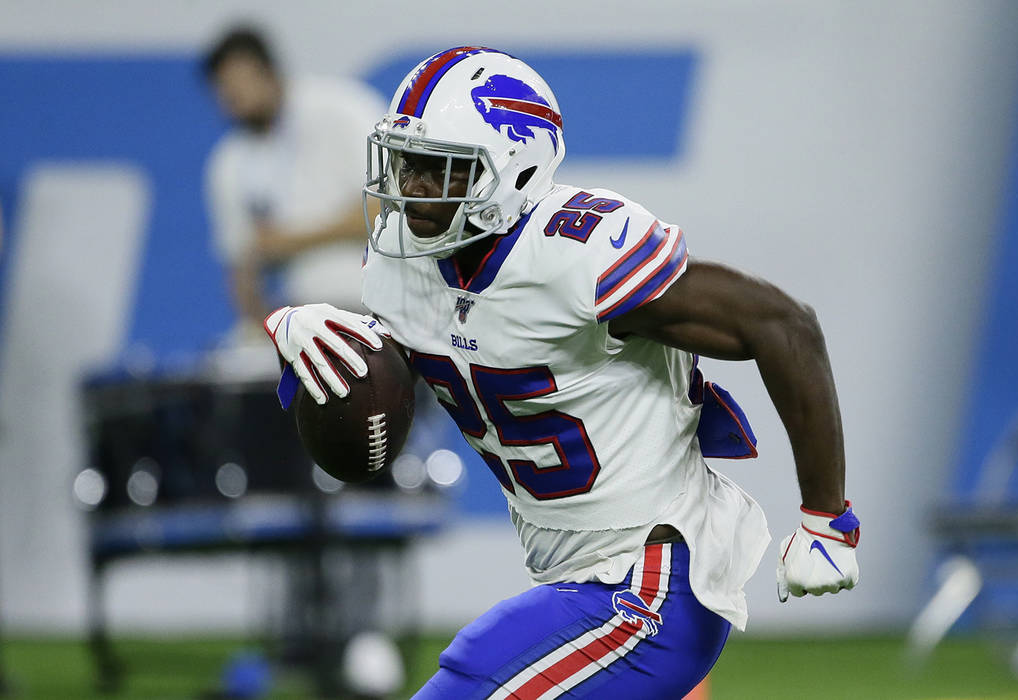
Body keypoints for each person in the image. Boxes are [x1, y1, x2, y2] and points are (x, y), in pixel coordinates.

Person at [265, 47, 860, 698]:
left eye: (439, 171)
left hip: (649, 581)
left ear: (511, 174)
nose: (409, 189)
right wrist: (320, 345)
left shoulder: (577, 253)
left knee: (473, 674)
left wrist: (827, 517)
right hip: (575, 579)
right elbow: (370, 437)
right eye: (406, 163)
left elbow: (783, 324)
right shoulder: (401, 266)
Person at [203, 26, 384, 337]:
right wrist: (264, 330)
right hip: (301, 318)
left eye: (241, 82)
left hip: (376, 307)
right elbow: (241, 268)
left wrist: (290, 241)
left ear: (269, 71)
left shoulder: (341, 108)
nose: (235, 97)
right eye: (225, 90)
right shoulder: (229, 162)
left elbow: (387, 209)